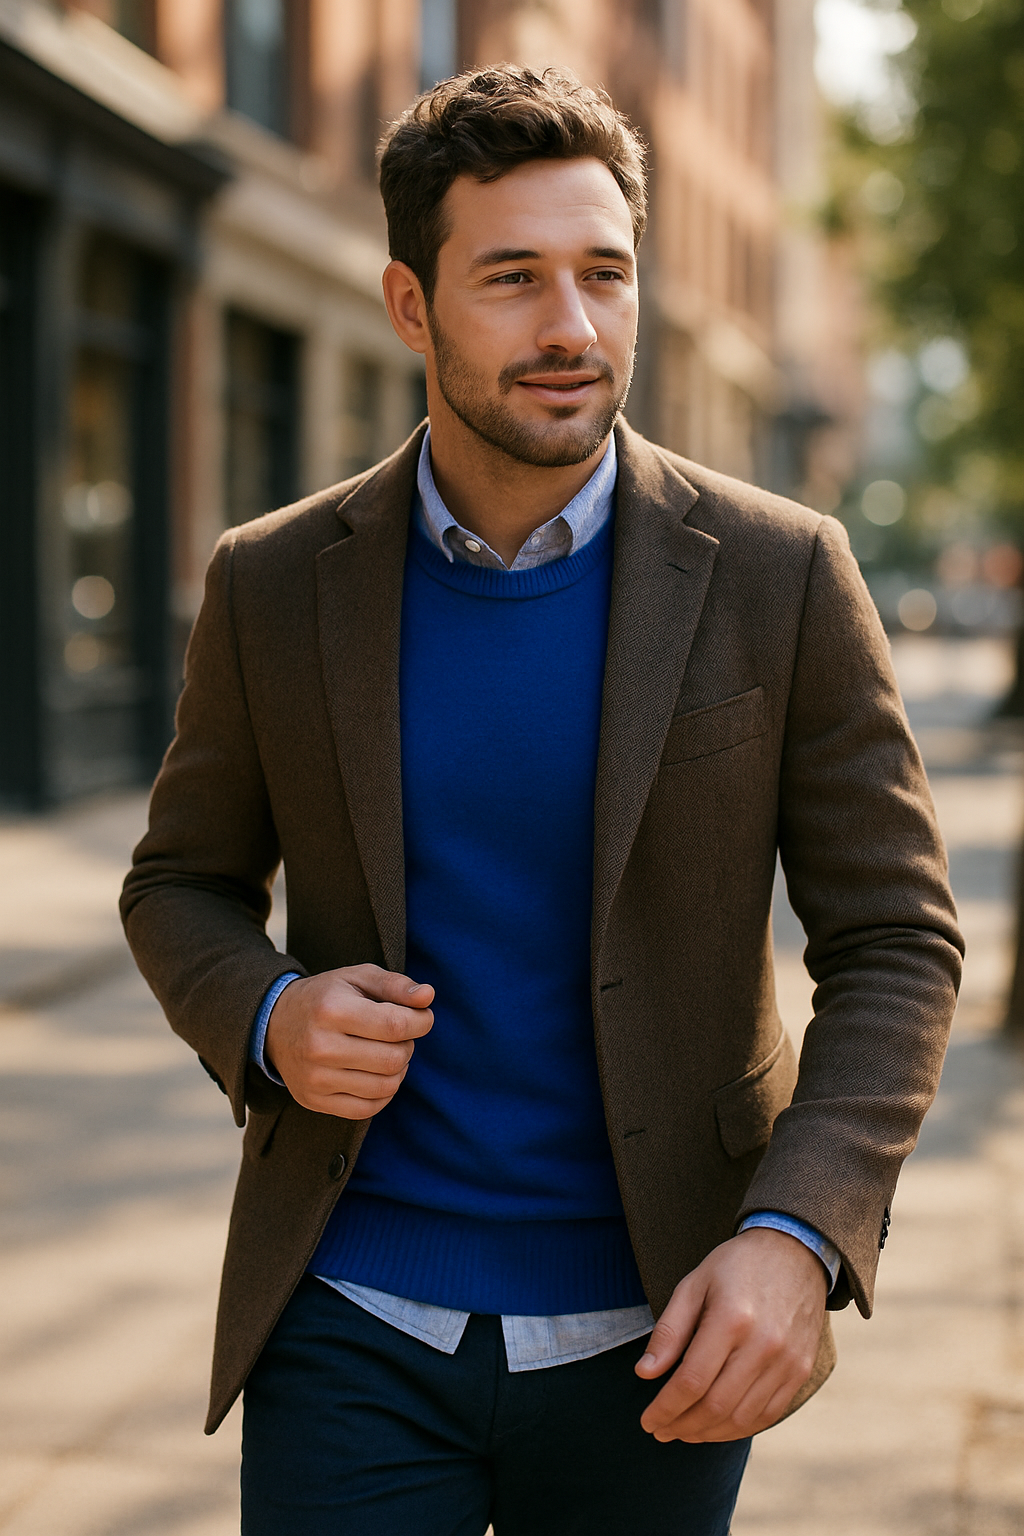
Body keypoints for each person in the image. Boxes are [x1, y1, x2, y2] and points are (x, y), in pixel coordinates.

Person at [121, 65, 963, 1536]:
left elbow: (898, 938)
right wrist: (267, 1014)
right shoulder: (271, 581)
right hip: (350, 1314)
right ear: (409, 304)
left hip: (670, 1321)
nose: (571, 328)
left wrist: (799, 1233)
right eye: (511, 279)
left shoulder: (782, 574)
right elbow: (178, 882)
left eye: (604, 275)